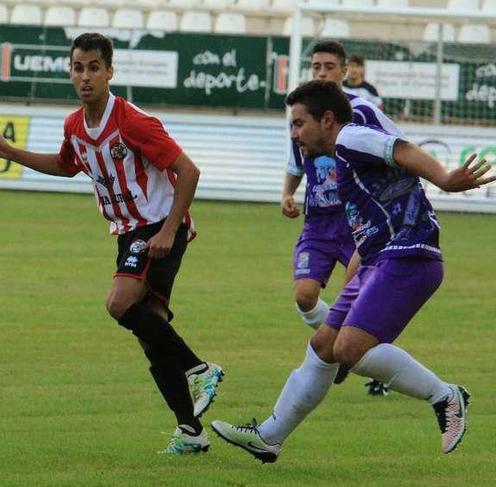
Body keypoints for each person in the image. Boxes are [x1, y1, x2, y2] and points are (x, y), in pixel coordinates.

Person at [211, 80, 493, 463]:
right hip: (379, 257)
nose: (294, 135)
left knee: (346, 348)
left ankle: (445, 396)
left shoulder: (350, 138)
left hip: (410, 253)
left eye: (298, 124)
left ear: (326, 119)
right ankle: (269, 436)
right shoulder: (340, 159)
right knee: (324, 345)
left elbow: (401, 149)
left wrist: (444, 178)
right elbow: (371, 213)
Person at [0, 32, 224, 454]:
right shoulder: (74, 124)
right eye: (79, 68)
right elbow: (65, 164)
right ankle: (191, 432)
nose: (86, 76)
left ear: (110, 72)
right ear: (70, 72)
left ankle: (200, 369)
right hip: (130, 231)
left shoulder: (132, 121)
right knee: (151, 333)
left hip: (156, 227)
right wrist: (8, 152)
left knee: (117, 303)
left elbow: (189, 171)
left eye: (95, 67)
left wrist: (168, 231)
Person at [283, 40, 399, 394]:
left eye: (329, 67)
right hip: (318, 222)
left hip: (356, 222)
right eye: (316, 66)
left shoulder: (361, 111)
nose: (321, 73)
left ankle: (359, 357)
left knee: (359, 300)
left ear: (345, 71)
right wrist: (287, 193)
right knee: (304, 295)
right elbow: (296, 162)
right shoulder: (303, 112)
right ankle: (348, 350)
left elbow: (396, 148)